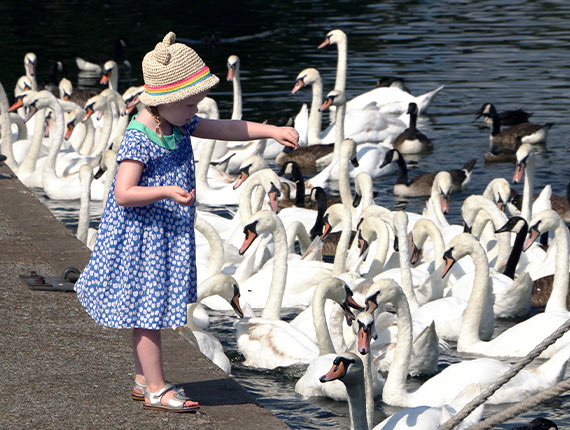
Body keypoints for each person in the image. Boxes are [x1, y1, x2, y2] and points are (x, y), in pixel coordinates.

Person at [74, 31, 299, 413]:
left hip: (161, 234)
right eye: (191, 104)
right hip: (140, 238)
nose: (197, 112)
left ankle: (144, 378)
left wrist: (271, 131)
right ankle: (157, 389)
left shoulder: (177, 123)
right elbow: (124, 192)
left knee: (146, 310)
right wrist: (164, 191)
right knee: (147, 313)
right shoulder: (139, 137)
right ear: (164, 101)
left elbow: (228, 128)